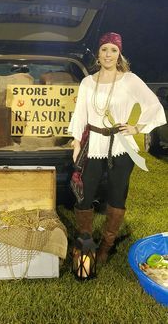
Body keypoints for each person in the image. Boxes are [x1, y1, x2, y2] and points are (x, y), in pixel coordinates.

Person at [68, 32, 167, 263]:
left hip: (121, 146)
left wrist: (137, 127)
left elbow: (153, 105)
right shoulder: (87, 82)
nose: (108, 54)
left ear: (119, 54)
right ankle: (85, 241)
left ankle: (106, 245)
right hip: (93, 144)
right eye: (104, 50)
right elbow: (80, 113)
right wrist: (76, 141)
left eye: (113, 50)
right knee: (84, 194)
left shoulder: (129, 80)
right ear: (98, 54)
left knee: (116, 195)